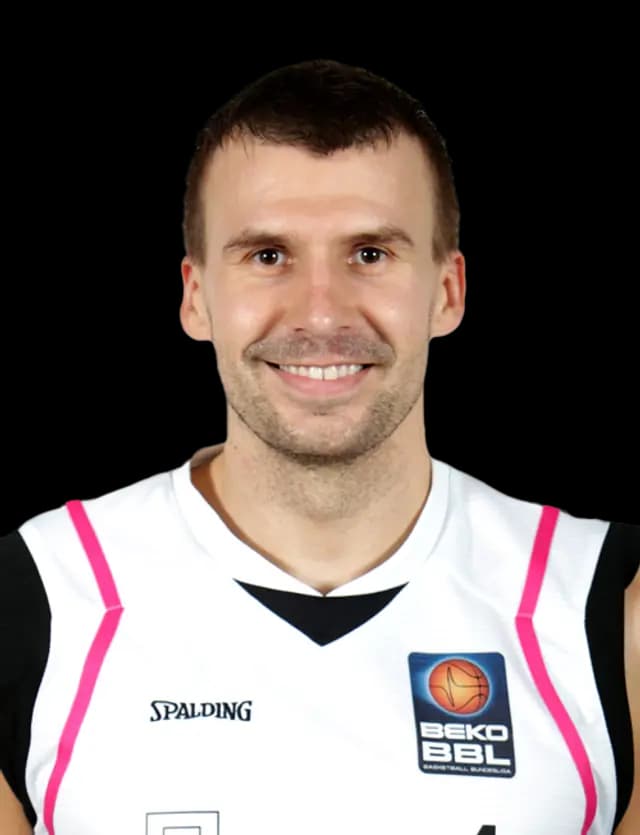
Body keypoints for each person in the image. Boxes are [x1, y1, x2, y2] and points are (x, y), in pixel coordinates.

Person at [0, 58, 637, 835]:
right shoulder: (38, 596)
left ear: (447, 290)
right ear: (196, 297)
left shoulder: (607, 607)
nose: (322, 312)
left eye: (370, 253)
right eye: (268, 255)